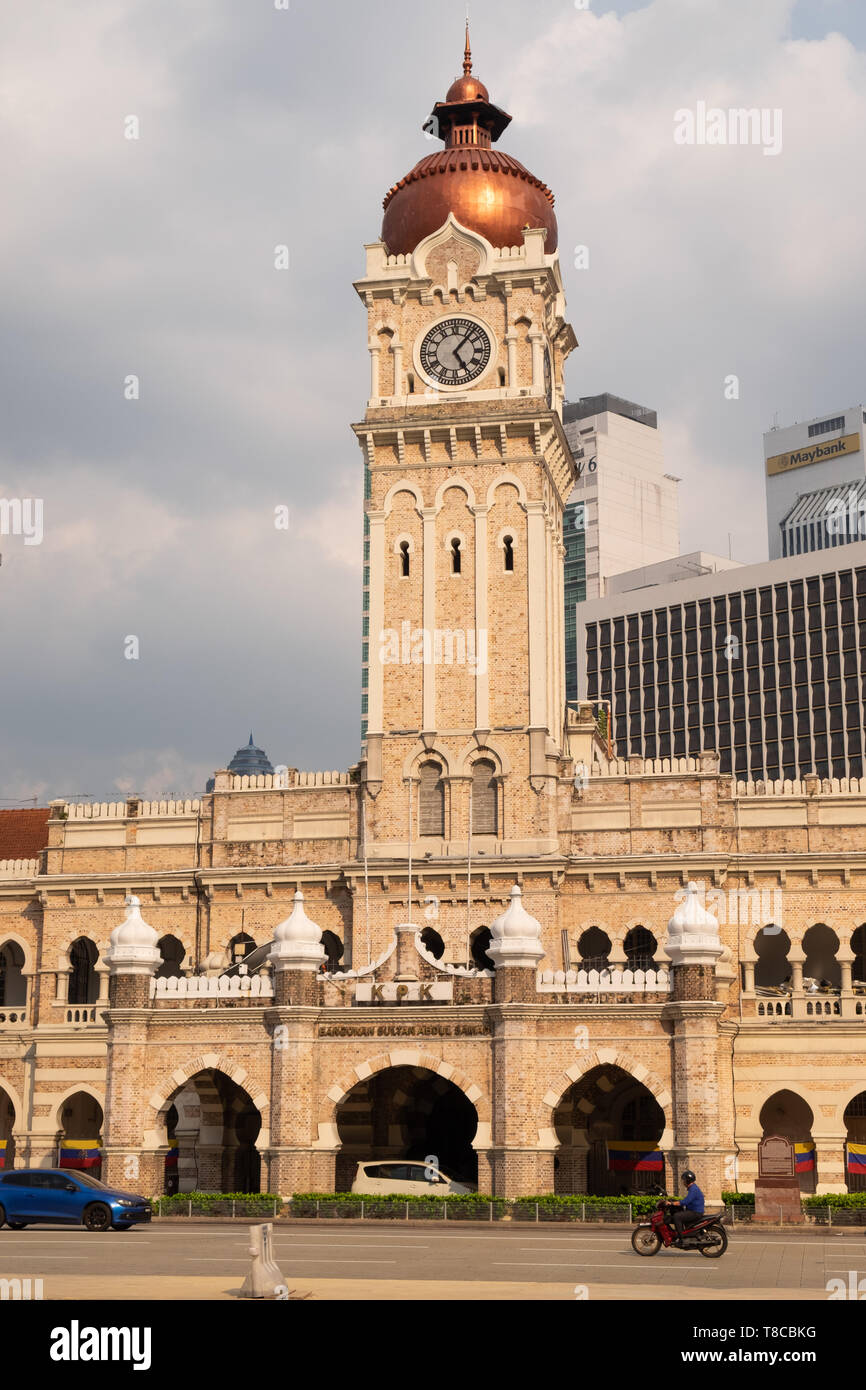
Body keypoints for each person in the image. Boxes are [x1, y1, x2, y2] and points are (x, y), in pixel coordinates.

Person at [669, 1170, 705, 1243]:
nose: (683, 1182)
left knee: (677, 1216)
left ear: (688, 1181)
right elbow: (687, 1200)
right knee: (679, 1212)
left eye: (684, 1180)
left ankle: (681, 1237)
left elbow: (686, 1201)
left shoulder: (693, 1189)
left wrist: (672, 1203)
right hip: (693, 1211)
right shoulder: (693, 1188)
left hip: (695, 1212)